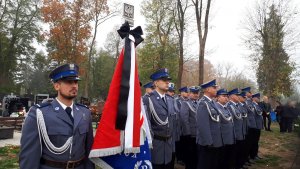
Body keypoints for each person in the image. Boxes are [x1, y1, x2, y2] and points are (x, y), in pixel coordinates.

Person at [19, 63, 95, 169]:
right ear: (56, 86)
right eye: (69, 82)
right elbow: (29, 157)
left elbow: (89, 151)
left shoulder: (84, 113)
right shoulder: (39, 114)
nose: (74, 85)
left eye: (76, 82)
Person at [143, 68, 175, 169]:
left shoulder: (170, 99)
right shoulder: (148, 99)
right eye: (164, 80)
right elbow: (147, 126)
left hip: (168, 146)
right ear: (156, 83)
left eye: (168, 80)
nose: (167, 82)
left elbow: (171, 124)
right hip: (156, 147)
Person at [196, 79, 223, 169]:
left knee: (212, 164)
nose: (216, 89)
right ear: (207, 89)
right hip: (207, 143)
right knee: (205, 165)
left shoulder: (212, 102)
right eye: (214, 87)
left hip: (215, 141)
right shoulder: (203, 104)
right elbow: (203, 126)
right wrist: (208, 142)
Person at [180, 86, 200, 169]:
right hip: (191, 135)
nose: (196, 95)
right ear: (189, 93)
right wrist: (188, 133)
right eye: (194, 93)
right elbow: (184, 119)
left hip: (198, 135)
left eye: (197, 93)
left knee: (197, 156)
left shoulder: (199, 103)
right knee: (190, 157)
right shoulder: (186, 103)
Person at [215, 89, 235, 169]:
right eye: (223, 96)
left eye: (227, 96)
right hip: (222, 139)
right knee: (221, 160)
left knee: (227, 159)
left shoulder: (226, 107)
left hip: (228, 138)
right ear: (218, 97)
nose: (226, 98)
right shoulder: (216, 107)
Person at [227, 88, 246, 169]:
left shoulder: (237, 106)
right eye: (236, 95)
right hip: (234, 134)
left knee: (239, 151)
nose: (238, 96)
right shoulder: (229, 106)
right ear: (231, 96)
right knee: (232, 153)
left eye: (239, 95)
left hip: (239, 133)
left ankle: (238, 165)